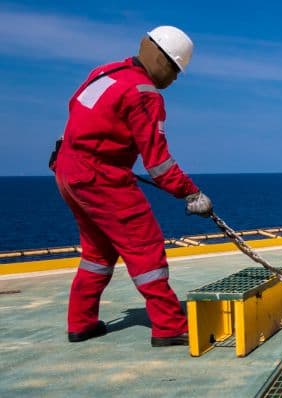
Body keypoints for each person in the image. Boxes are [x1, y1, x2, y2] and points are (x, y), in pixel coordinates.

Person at [52, 26, 213, 346]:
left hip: (68, 171)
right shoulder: (144, 93)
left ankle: (81, 321)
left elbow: (76, 109)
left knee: (97, 252)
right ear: (160, 58)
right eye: (175, 70)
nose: (175, 79)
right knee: (145, 246)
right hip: (102, 178)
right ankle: (169, 325)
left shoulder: (104, 71)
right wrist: (191, 192)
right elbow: (159, 165)